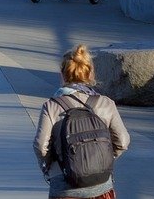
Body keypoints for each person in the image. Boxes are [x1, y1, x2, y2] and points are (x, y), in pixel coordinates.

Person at [33, 44, 129, 199]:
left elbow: (40, 146)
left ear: (62, 75)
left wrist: (49, 169)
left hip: (65, 185)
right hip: (101, 184)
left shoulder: (51, 106)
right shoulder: (106, 103)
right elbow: (123, 142)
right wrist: (101, 160)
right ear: (90, 73)